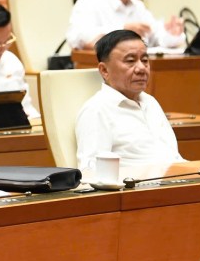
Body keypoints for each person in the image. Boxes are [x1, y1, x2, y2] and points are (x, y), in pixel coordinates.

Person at [74, 29, 184, 175]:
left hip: (176, 180)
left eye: (145, 60)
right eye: (130, 61)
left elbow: (173, 157)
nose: (141, 68)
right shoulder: (96, 110)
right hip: (140, 187)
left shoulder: (150, 102)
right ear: (104, 70)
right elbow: (90, 172)